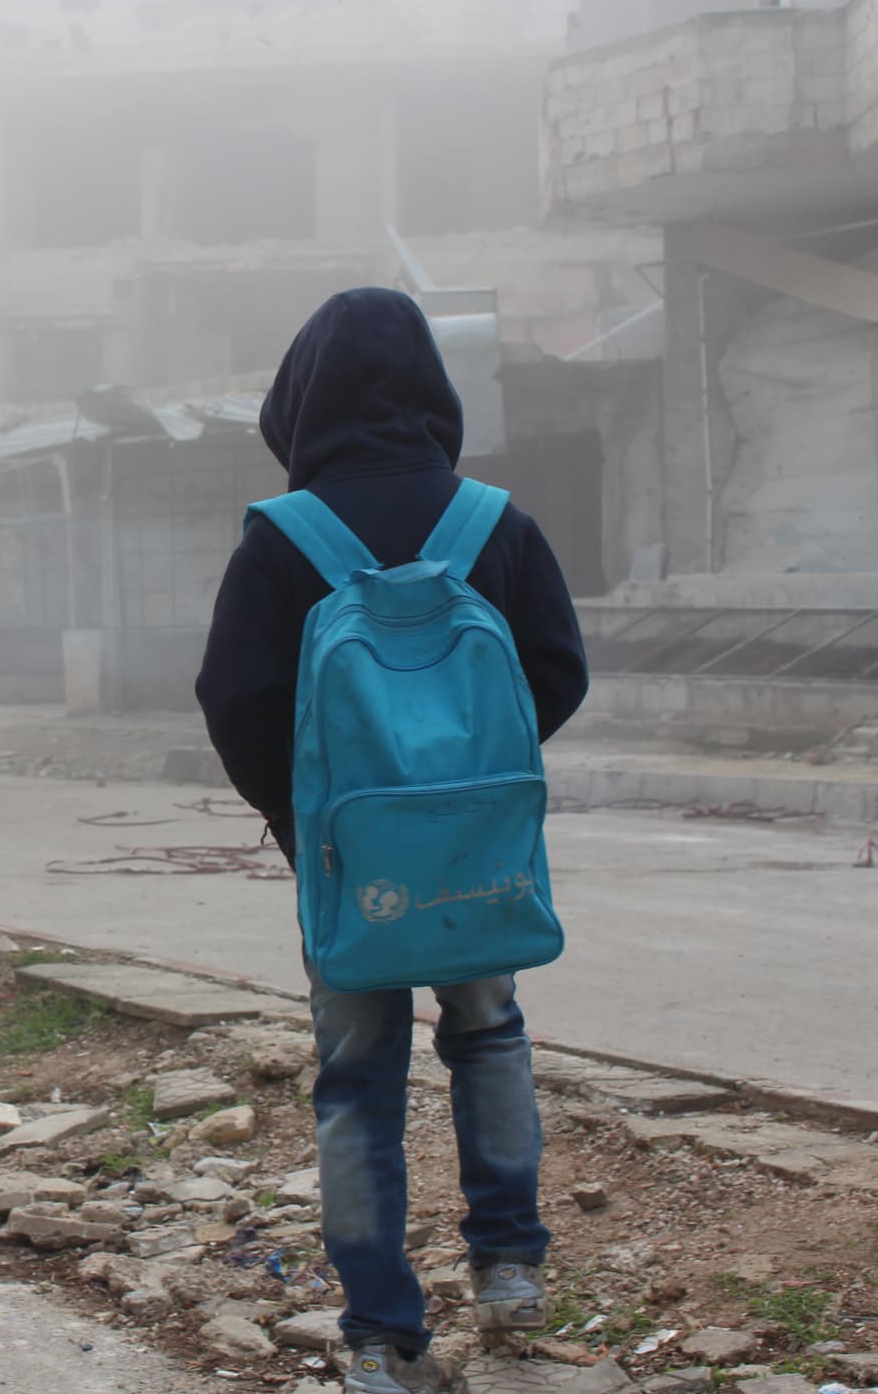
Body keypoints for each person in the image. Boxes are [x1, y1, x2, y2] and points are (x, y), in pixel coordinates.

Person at [195, 288, 589, 1394]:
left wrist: (304, 817)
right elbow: (556, 672)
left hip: (346, 861)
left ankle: (380, 1337)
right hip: (476, 856)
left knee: (356, 1073)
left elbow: (234, 698)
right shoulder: (495, 524)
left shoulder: (285, 541)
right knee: (490, 1030)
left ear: (299, 396)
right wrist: (465, 793)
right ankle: (510, 1272)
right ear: (430, 387)